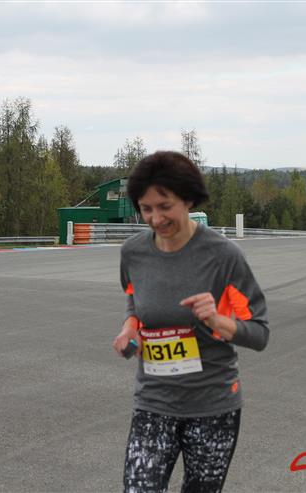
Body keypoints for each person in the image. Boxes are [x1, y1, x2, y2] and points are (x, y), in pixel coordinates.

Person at [113, 151, 269, 493]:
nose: (155, 219)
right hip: (153, 403)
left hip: (213, 406)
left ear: (188, 199)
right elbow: (134, 298)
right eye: (146, 208)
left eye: (164, 206)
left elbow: (260, 333)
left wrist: (217, 320)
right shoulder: (133, 253)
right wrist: (130, 328)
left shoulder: (223, 256)